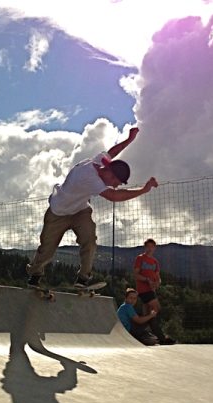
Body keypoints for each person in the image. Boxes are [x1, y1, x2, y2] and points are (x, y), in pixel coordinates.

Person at [27, 127, 158, 288]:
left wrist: (129, 140)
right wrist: (143, 190)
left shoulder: (101, 162)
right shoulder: (88, 176)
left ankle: (83, 278)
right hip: (58, 213)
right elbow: (114, 197)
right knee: (47, 249)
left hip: (80, 211)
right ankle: (35, 273)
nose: (115, 186)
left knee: (89, 240)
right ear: (109, 174)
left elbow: (113, 152)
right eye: (115, 182)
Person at [134, 238, 175, 344]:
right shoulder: (140, 258)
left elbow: (158, 277)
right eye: (148, 246)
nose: (149, 249)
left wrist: (157, 283)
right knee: (156, 308)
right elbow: (136, 274)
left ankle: (141, 334)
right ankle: (161, 337)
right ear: (145, 247)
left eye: (152, 246)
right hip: (143, 289)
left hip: (151, 290)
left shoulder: (155, 262)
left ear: (154, 248)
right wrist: (147, 280)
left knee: (148, 314)